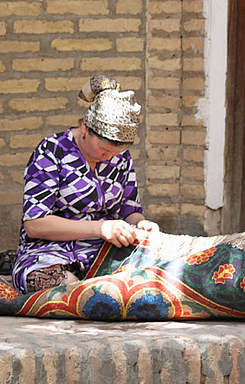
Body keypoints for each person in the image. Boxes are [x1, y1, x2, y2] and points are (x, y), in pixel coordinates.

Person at [12, 75, 159, 294]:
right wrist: (100, 229)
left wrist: (141, 224)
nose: (109, 157)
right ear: (85, 129)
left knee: (149, 282)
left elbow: (129, 210)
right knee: (60, 286)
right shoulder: (52, 151)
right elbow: (35, 224)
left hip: (105, 254)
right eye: (104, 150)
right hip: (50, 253)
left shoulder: (121, 158)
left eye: (115, 152)